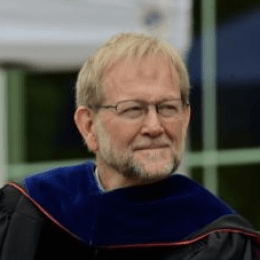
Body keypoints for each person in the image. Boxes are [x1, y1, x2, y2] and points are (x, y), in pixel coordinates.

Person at [0, 32, 260, 260]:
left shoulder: (219, 239)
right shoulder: (28, 210)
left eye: (167, 108)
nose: (154, 126)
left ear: (186, 117)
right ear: (88, 126)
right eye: (133, 109)